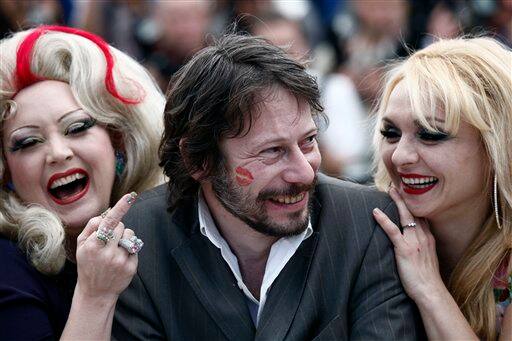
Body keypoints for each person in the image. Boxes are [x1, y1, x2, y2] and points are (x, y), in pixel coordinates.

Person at [113, 33, 423, 340]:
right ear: (199, 161)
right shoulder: (140, 239)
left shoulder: (367, 224)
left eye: (308, 142)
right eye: (272, 151)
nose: (304, 173)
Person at [0, 25, 164, 340]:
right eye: (28, 142)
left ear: (118, 140)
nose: (58, 154)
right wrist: (95, 295)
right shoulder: (6, 267)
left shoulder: (171, 234)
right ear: (7, 171)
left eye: (77, 127)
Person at [372, 37, 512, 340]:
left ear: (496, 147)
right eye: (391, 133)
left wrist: (427, 287)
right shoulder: (367, 234)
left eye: (431, 135)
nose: (400, 156)